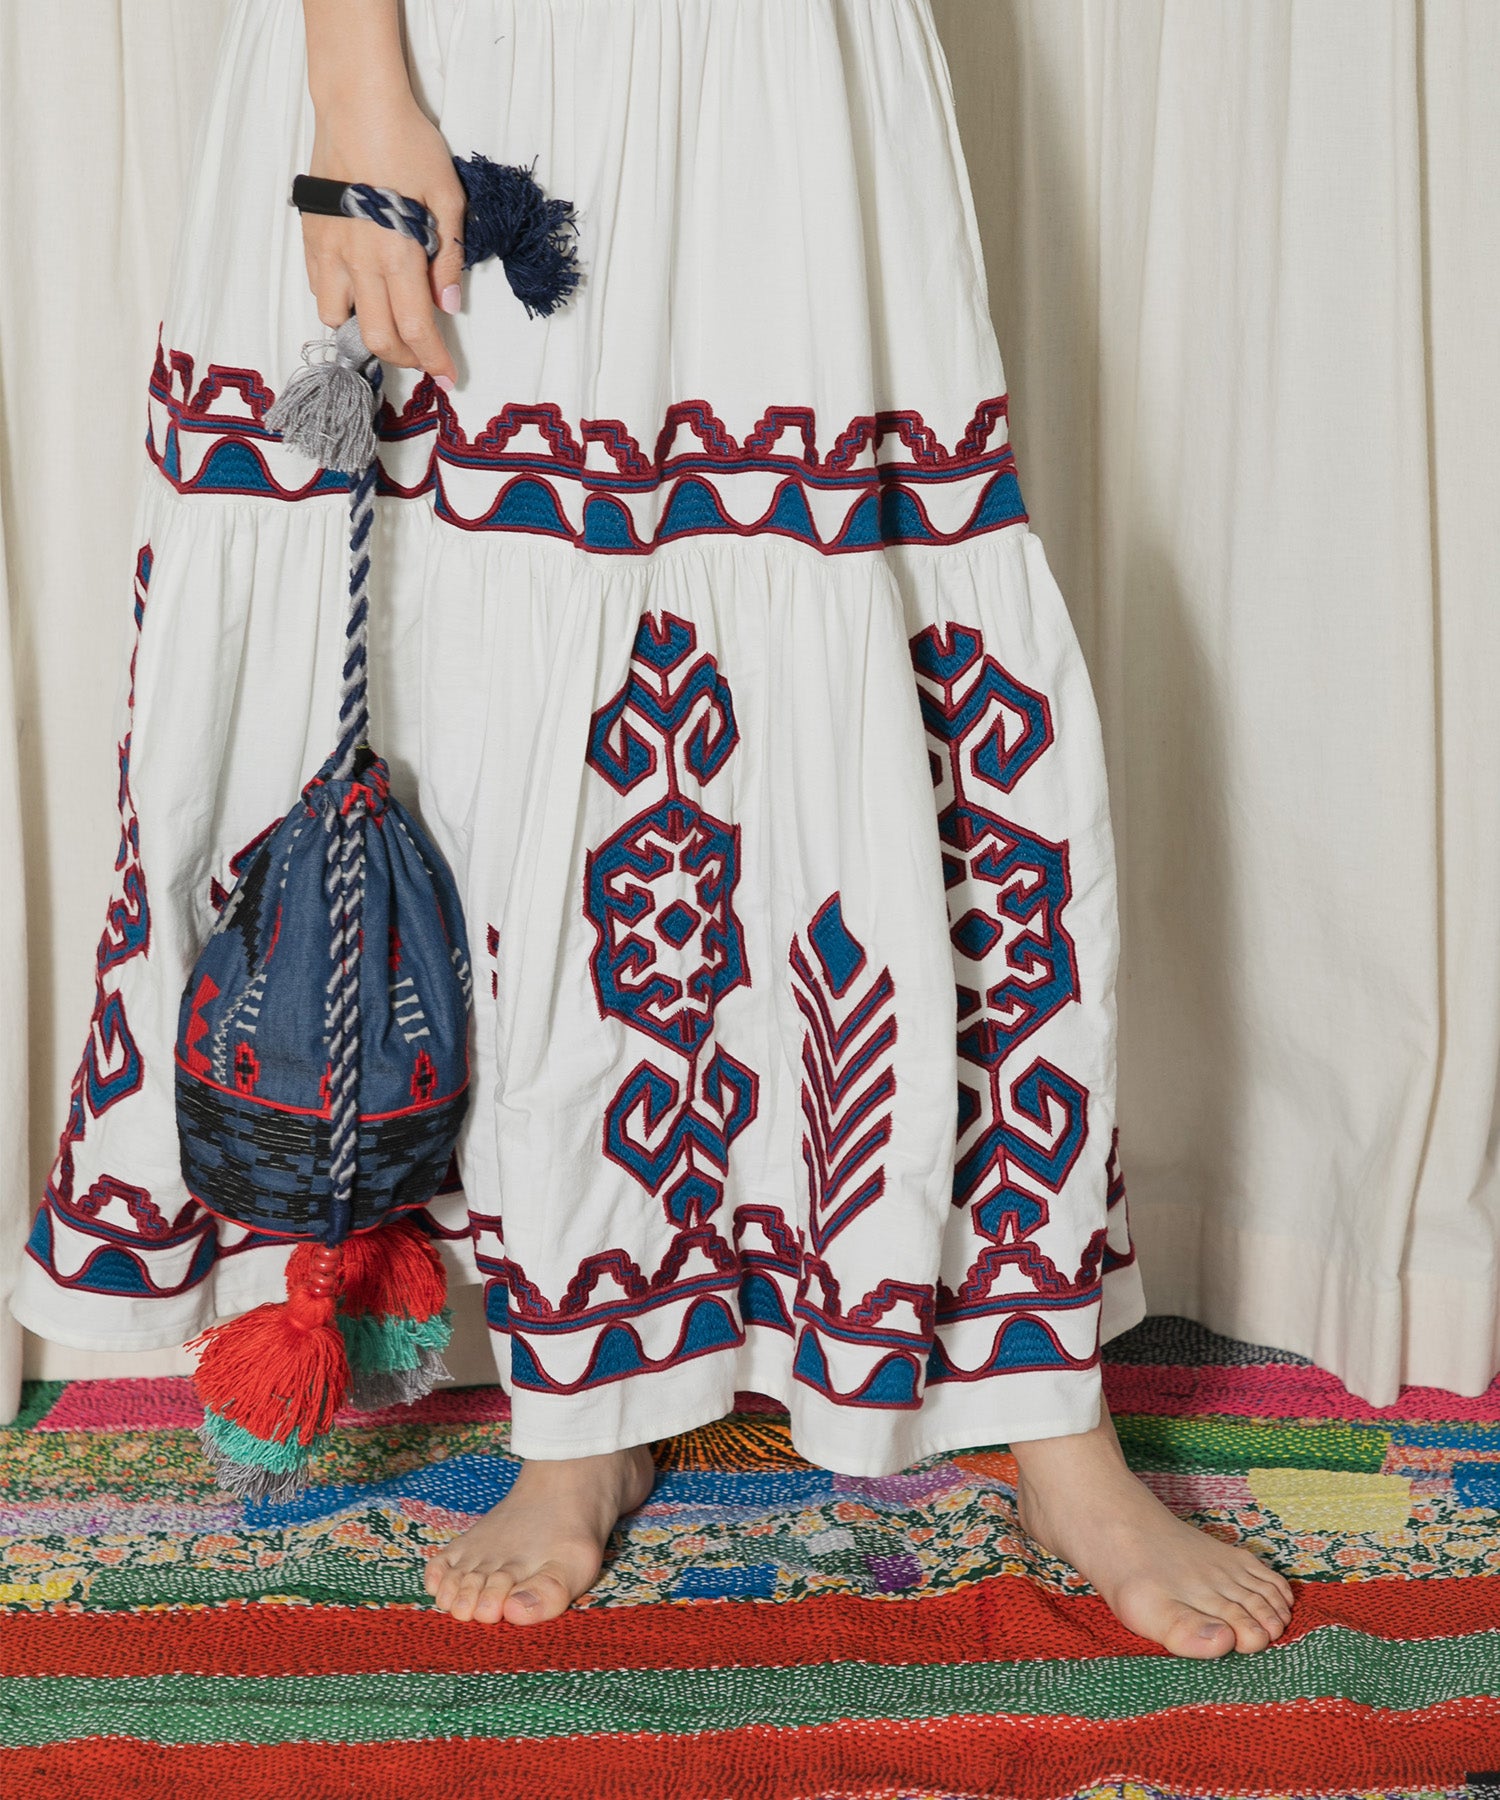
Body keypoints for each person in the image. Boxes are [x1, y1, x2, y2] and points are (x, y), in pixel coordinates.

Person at [13, 0, 1294, 1656]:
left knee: (885, 603)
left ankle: (1048, 1410)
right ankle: (583, 1408)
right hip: (455, 64)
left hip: (773, 60)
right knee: (494, 680)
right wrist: (354, 86)